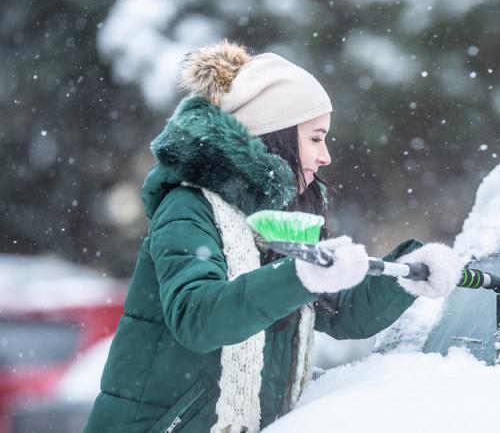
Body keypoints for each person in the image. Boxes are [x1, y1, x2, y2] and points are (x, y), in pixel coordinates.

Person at [84, 41, 463, 432]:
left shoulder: (279, 221)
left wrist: (409, 274)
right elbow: (198, 317)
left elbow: (341, 313)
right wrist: (300, 274)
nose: (326, 155)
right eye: (316, 138)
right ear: (275, 135)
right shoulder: (188, 206)